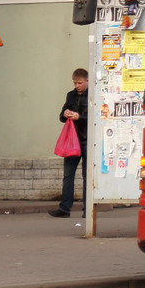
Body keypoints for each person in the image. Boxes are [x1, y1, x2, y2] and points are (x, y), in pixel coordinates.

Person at [50, 68, 89, 218]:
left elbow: (97, 116)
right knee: (68, 174)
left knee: (87, 175)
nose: (77, 85)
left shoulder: (93, 95)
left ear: (87, 81)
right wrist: (65, 113)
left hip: (87, 140)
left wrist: (80, 117)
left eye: (80, 83)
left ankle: (87, 210)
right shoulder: (71, 95)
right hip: (72, 141)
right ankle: (65, 208)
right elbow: (61, 116)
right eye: (75, 83)